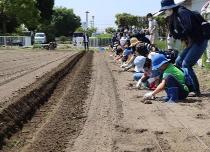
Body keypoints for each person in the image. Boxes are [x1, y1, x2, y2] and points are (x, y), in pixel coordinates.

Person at [160, 0, 208, 96]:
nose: (165, 12)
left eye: (165, 9)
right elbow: (175, 32)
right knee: (178, 61)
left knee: (186, 64)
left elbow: (189, 27)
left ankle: (195, 90)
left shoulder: (182, 12)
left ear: (171, 7)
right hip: (193, 41)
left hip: (200, 40)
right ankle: (183, 84)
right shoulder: (173, 16)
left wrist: (180, 34)